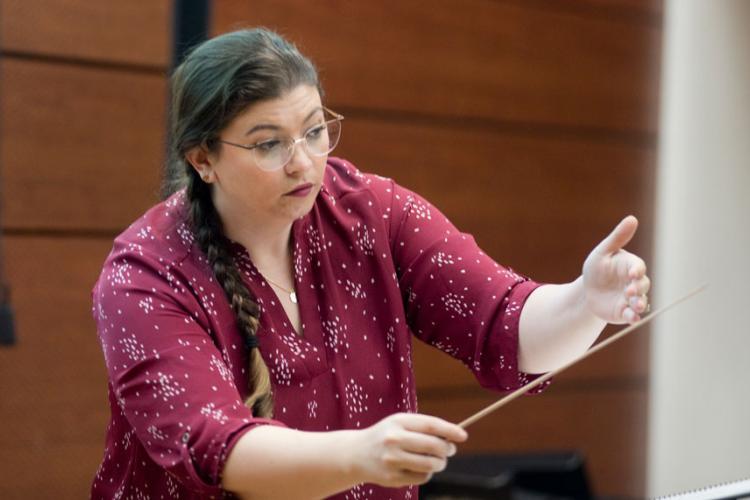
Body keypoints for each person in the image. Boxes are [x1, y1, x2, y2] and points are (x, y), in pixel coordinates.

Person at [90, 28, 650, 499]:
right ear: (203, 159)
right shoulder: (145, 276)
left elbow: (503, 322)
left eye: (314, 131)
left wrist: (584, 302)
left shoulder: (369, 211)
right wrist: (359, 453)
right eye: (268, 145)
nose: (303, 163)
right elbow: (217, 448)